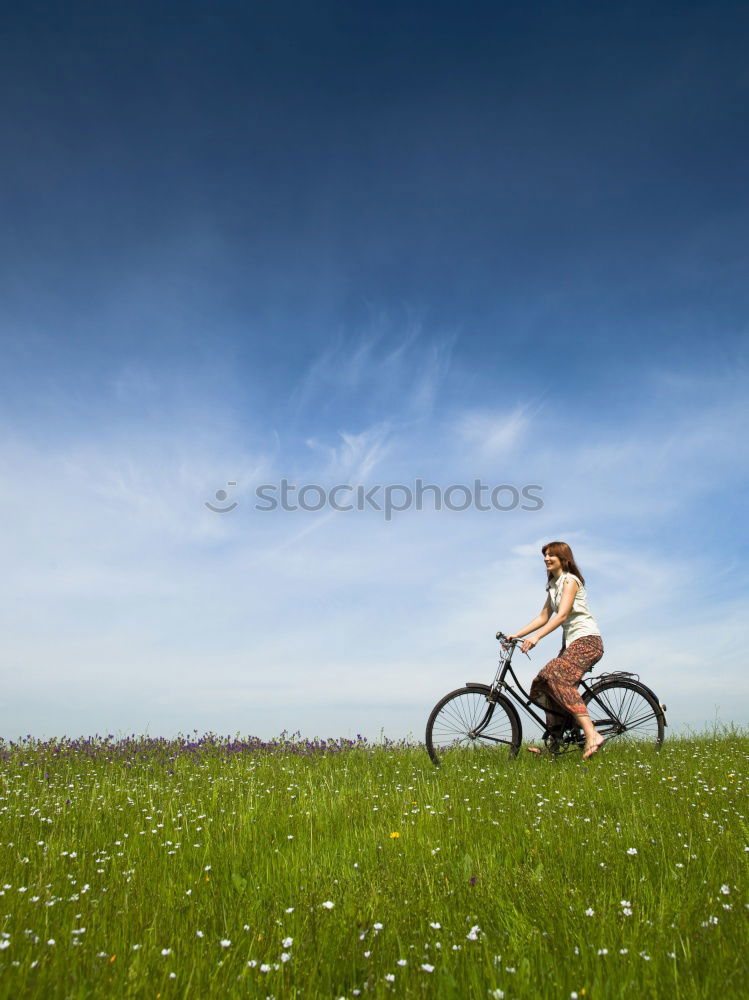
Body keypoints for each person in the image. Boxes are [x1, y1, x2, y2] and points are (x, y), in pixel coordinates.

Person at [508, 541, 605, 759]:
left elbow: (561, 615)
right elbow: (544, 616)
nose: (546, 559)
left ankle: (592, 734)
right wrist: (517, 634)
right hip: (571, 644)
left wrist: (537, 637)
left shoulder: (570, 581)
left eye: (551, 555)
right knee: (544, 683)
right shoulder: (554, 585)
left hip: (587, 641)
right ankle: (555, 743)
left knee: (558, 678)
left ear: (564, 558)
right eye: (544, 555)